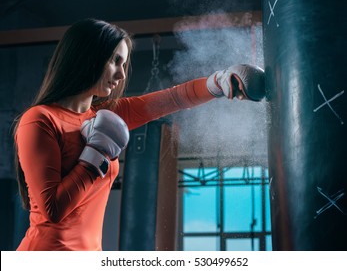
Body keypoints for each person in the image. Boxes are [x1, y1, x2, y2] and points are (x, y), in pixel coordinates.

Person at [13, 18, 265, 251]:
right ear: (86, 56)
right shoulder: (39, 119)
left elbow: (173, 98)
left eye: (123, 64)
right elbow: (52, 210)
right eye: (115, 61)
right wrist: (96, 156)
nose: (121, 74)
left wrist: (217, 82)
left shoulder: (104, 115)